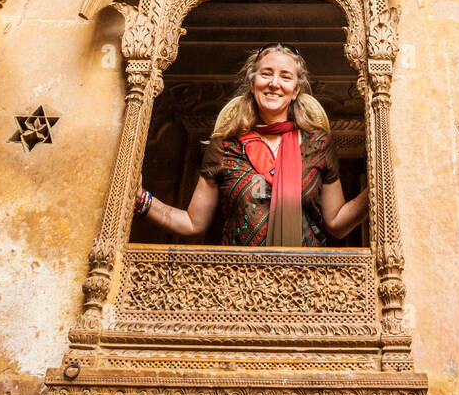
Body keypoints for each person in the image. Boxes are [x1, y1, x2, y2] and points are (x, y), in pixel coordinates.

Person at [134, 43, 369, 247]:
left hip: (305, 284)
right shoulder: (225, 147)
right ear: (253, 81)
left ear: (296, 90)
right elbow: (193, 222)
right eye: (266, 74)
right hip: (240, 283)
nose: (274, 83)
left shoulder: (317, 145)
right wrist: (141, 199)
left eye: (285, 77)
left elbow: (337, 223)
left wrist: (376, 191)